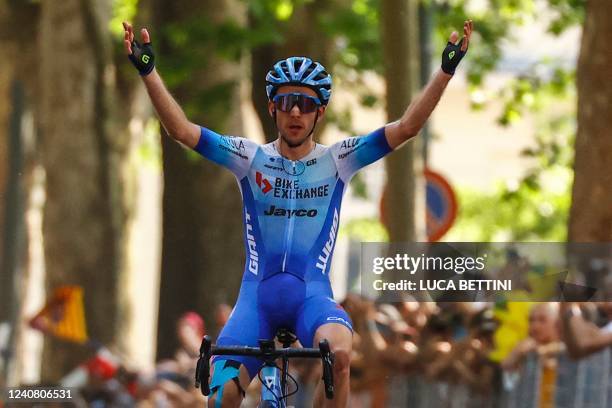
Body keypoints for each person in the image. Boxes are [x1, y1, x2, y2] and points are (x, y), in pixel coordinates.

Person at [122, 18, 473, 407]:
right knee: (219, 398)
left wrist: (445, 71)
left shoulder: (338, 160)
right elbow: (182, 131)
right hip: (255, 302)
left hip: (312, 298)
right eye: (286, 102)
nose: (294, 113)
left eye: (305, 104)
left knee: (339, 354)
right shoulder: (249, 158)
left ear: (319, 112)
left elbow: (406, 127)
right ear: (272, 107)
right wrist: (149, 72)